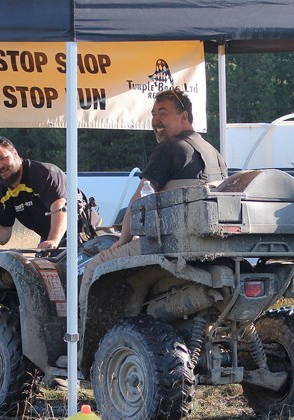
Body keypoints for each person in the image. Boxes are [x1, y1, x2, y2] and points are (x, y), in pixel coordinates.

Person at [79, 88, 227, 307]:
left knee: (94, 266)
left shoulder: (171, 148)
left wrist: (123, 240)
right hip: (207, 246)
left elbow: (140, 200)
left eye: (163, 113)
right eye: (153, 114)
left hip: (170, 245)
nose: (156, 120)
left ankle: (78, 336)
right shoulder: (213, 153)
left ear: (184, 116)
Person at [0, 136, 67, 250]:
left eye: (3, 158)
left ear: (15, 154)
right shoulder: (3, 192)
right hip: (50, 241)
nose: (0, 166)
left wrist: (53, 240)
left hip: (84, 237)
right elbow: (3, 237)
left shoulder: (42, 173)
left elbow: (60, 207)